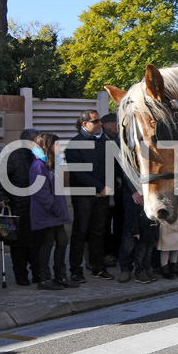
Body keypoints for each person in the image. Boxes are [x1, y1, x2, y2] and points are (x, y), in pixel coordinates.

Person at [65, 110, 113, 282]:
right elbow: (78, 173)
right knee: (80, 232)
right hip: (83, 195)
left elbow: (110, 166)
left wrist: (107, 187)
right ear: (85, 124)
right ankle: (75, 270)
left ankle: (97, 267)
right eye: (96, 121)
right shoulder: (74, 144)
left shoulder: (103, 142)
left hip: (102, 195)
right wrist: (99, 187)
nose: (100, 124)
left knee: (99, 232)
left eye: (100, 121)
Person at [29, 132, 76, 290]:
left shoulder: (48, 165)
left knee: (62, 242)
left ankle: (60, 275)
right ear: (47, 146)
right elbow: (42, 193)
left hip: (55, 213)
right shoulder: (38, 166)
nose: (59, 147)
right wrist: (56, 209)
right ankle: (44, 278)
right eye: (56, 144)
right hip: (47, 213)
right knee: (47, 244)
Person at [0, 128, 41, 285]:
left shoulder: (40, 156)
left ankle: (38, 273)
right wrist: (2, 198)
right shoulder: (13, 157)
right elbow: (0, 179)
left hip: (36, 208)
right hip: (17, 207)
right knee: (19, 246)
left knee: (36, 244)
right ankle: (21, 275)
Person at [101, 113, 123, 271]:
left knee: (120, 222)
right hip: (104, 189)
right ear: (106, 125)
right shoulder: (101, 141)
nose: (117, 126)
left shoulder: (120, 141)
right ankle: (106, 253)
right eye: (115, 123)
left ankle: (116, 252)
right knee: (104, 224)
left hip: (120, 189)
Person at [157, 212, 178, 279]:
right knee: (165, 247)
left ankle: (174, 267)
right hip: (167, 220)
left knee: (177, 246)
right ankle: (164, 269)